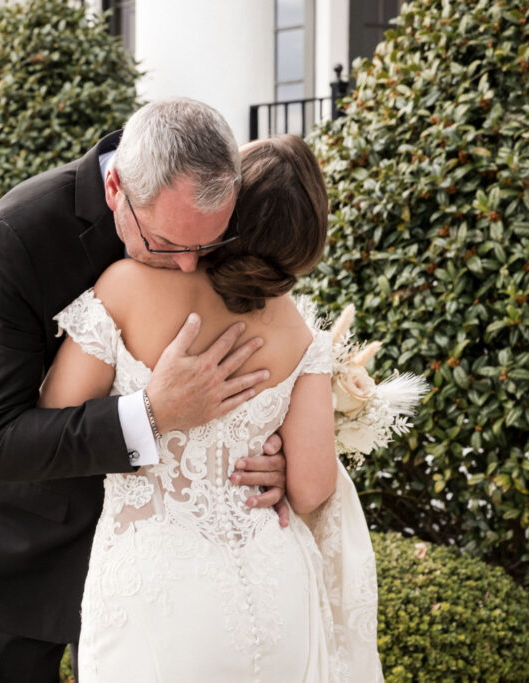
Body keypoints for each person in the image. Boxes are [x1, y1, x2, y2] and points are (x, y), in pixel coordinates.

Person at [0, 98, 292, 682]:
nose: (189, 266)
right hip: (26, 547)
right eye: (166, 244)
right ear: (115, 188)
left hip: (163, 571)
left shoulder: (215, 212)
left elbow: (261, 340)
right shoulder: (16, 236)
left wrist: (269, 450)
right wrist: (152, 414)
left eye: (205, 247)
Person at [38, 133, 383, 681]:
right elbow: (314, 488)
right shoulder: (300, 333)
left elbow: (54, 415)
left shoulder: (126, 286)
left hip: (158, 590)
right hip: (274, 586)